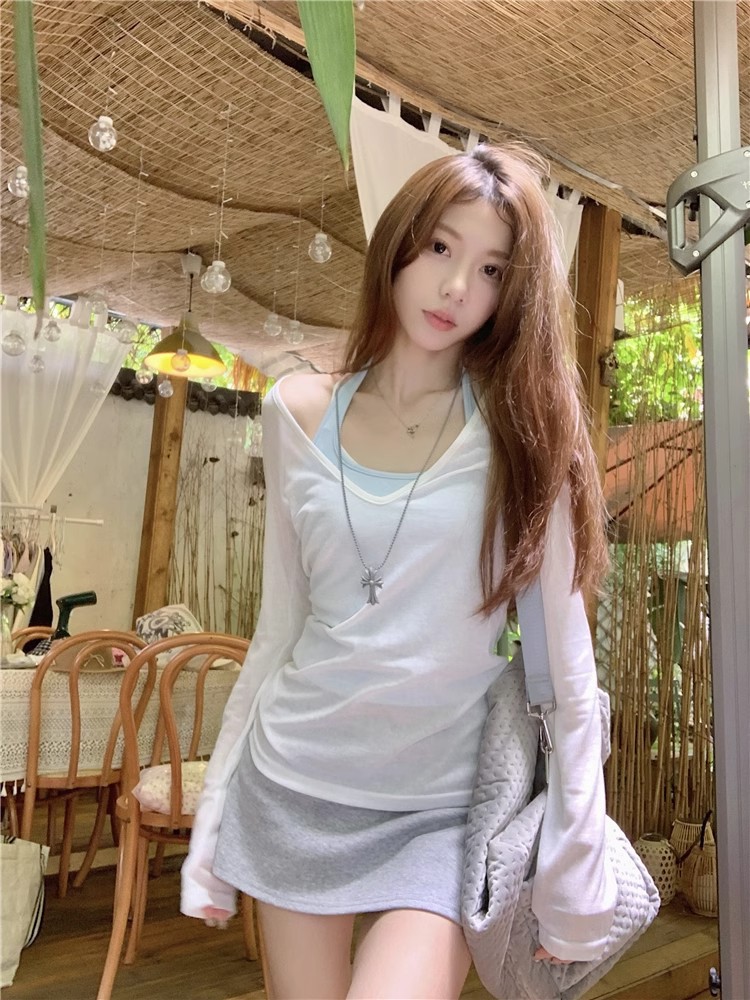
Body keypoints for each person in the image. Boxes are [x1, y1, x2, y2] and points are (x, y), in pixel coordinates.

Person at [181, 143, 617, 999]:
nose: (456, 288)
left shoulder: (525, 431)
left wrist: (577, 864)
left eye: (491, 269)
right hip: (295, 786)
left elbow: (568, 665)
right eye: (440, 248)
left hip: (444, 812)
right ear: (398, 245)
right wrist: (215, 813)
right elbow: (280, 629)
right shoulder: (295, 410)